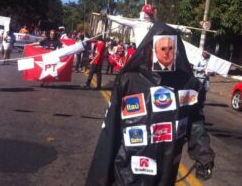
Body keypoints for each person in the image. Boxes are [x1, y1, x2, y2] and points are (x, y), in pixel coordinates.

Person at [85, 21, 215, 186]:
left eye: (171, 49)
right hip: (129, 170)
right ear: (150, 49)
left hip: (166, 171)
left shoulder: (189, 85)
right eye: (162, 49)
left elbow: (195, 122)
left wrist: (203, 154)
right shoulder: (128, 81)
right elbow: (110, 131)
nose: (167, 54)